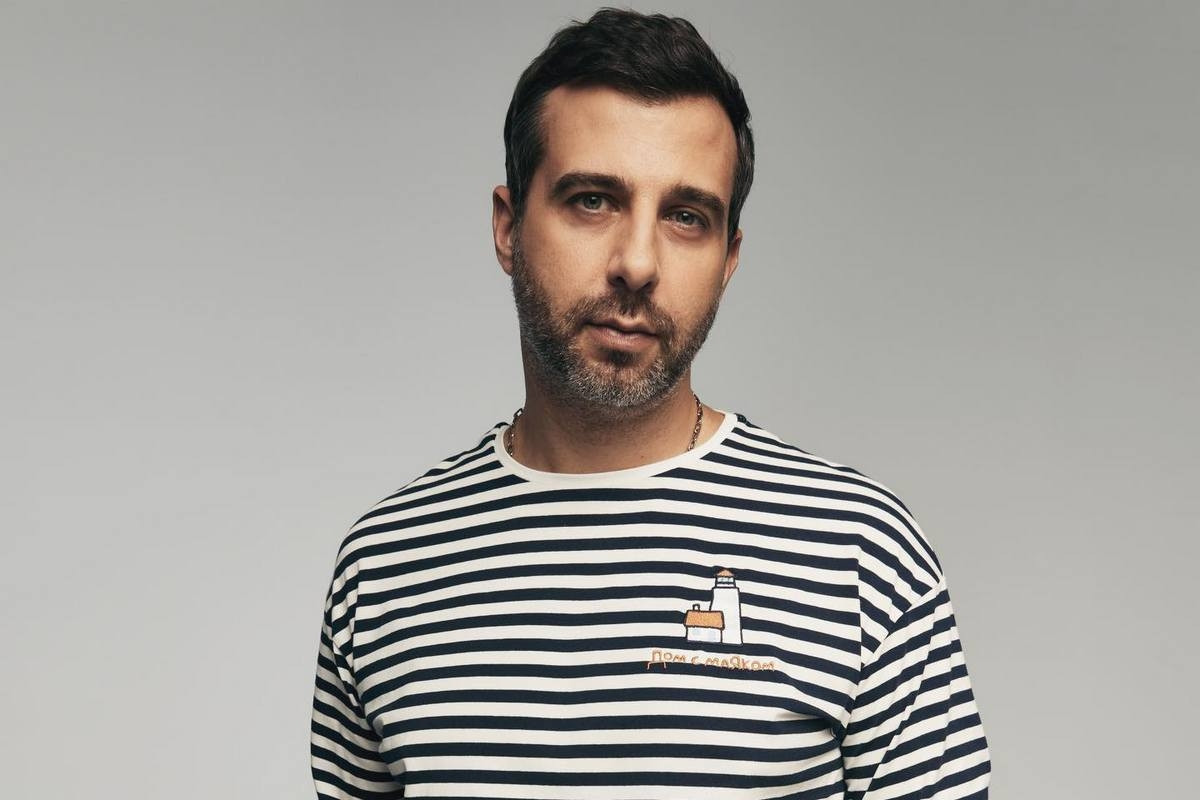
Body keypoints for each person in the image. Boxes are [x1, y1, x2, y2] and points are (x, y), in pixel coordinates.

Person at [310, 8, 990, 799]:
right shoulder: (386, 567)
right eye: (592, 200)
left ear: (728, 258)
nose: (637, 263)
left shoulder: (860, 556)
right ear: (508, 228)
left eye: (686, 217)